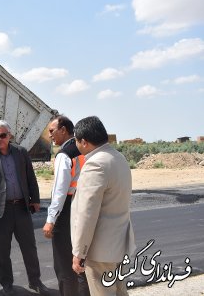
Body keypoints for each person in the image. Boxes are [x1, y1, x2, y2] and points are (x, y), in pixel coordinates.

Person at [0, 120, 49, 296]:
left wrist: (35, 199)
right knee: (2, 251)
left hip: (22, 208)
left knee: (29, 248)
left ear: (9, 135)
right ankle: (7, 285)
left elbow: (30, 177)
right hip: (0, 211)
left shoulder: (20, 152)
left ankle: (35, 282)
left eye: (3, 135)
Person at [71, 116, 136, 296]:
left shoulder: (95, 164)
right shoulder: (118, 157)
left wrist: (79, 252)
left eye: (76, 140)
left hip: (100, 250)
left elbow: (87, 213)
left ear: (84, 142)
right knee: (120, 292)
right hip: (119, 243)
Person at [42, 115, 89, 296]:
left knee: (64, 265)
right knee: (82, 262)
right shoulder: (85, 149)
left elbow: (60, 191)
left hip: (68, 211)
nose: (50, 135)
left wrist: (51, 220)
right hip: (85, 208)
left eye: (52, 131)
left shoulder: (64, 154)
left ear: (64, 130)